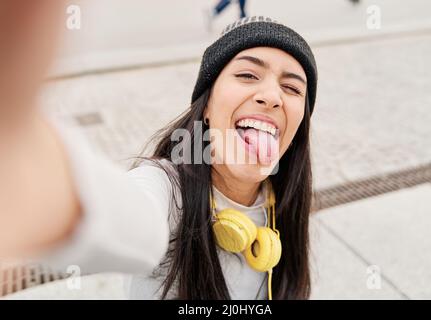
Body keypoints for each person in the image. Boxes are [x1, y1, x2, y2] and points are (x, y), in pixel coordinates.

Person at [0, 2, 318, 300]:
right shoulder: (167, 189)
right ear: (206, 105)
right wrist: (25, 161)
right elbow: (129, 214)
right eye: (247, 75)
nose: (271, 96)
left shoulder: (285, 203)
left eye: (291, 88)